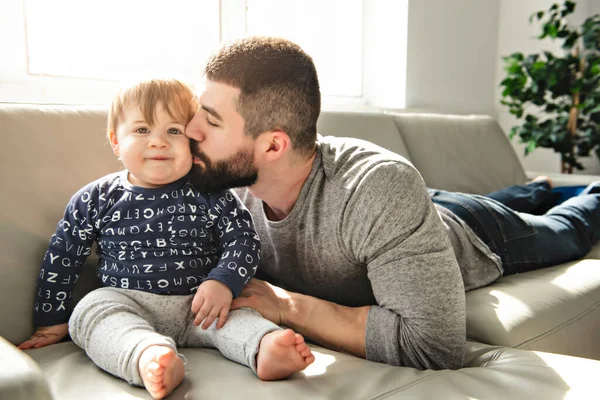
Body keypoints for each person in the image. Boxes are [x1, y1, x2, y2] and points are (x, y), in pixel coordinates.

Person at [184, 36, 600, 371]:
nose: (190, 129)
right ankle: (536, 186)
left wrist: (285, 305)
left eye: (212, 120)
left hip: (470, 228)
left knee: (569, 231)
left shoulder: (376, 188)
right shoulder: (219, 180)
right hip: (410, 213)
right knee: (521, 194)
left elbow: (433, 346)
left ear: (274, 144)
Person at [18, 79, 314, 400]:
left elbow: (243, 239)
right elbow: (62, 258)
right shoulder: (96, 198)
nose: (158, 142)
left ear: (194, 144)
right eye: (142, 130)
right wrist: (51, 321)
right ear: (116, 142)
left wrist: (223, 283)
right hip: (127, 302)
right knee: (91, 311)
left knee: (241, 316)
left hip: (201, 305)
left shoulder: (210, 192)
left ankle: (265, 348)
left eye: (174, 131)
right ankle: (149, 356)